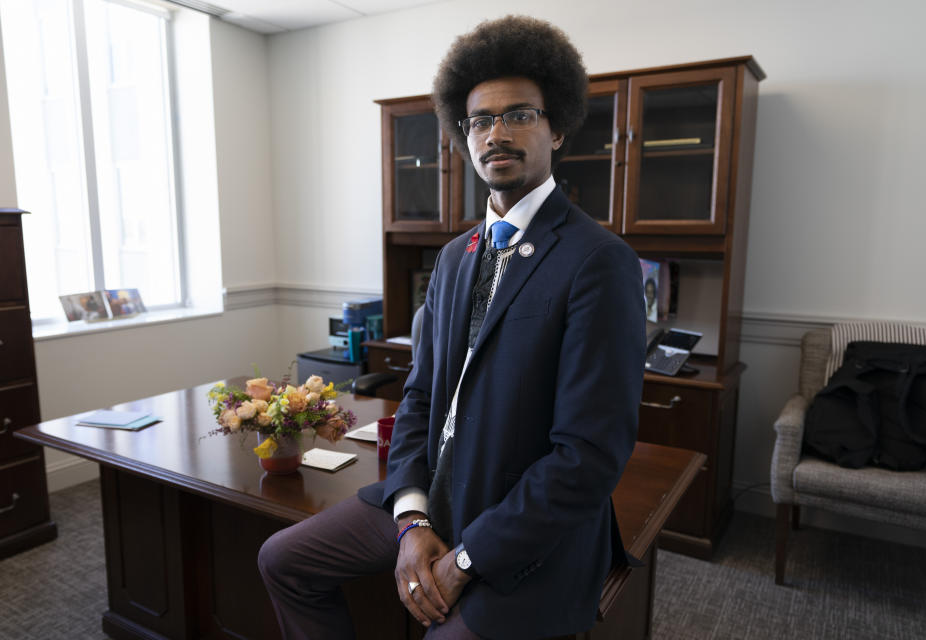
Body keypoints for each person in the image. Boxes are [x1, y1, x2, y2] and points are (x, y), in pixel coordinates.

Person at [258, 15, 645, 639]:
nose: (497, 134)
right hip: (435, 501)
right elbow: (418, 398)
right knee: (283, 559)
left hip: (525, 531)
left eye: (519, 114)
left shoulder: (599, 261)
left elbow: (588, 458)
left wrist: (466, 560)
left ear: (559, 126)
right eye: (480, 121)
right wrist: (411, 519)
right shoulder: (453, 257)